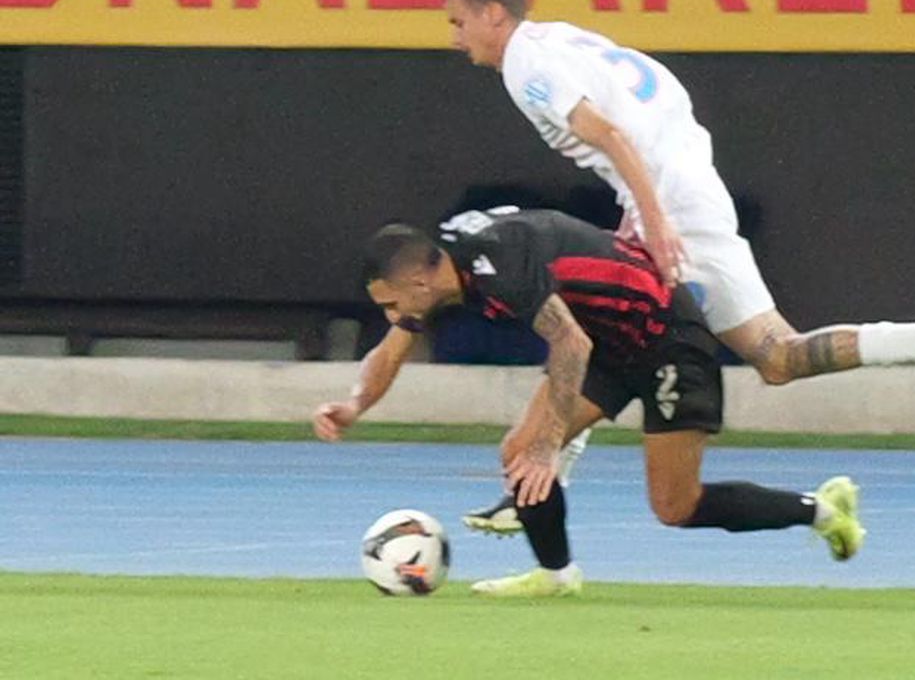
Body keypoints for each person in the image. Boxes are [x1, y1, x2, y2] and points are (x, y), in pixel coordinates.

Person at [443, 0, 915, 534]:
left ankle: (539, 487)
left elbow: (609, 134)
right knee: (778, 358)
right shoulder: (561, 38)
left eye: (459, 22)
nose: (455, 38)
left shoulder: (525, 64)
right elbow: (657, 93)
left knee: (597, 329)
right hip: (691, 184)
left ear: (494, 14)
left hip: (669, 203)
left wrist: (654, 218)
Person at [313, 207, 867, 597]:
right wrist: (355, 404)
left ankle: (821, 510)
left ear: (417, 282)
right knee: (520, 450)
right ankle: (557, 576)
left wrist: (550, 446)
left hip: (667, 337)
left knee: (675, 506)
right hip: (610, 344)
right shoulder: (443, 270)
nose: (392, 315)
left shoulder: (501, 266)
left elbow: (570, 344)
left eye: (390, 304)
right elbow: (393, 349)